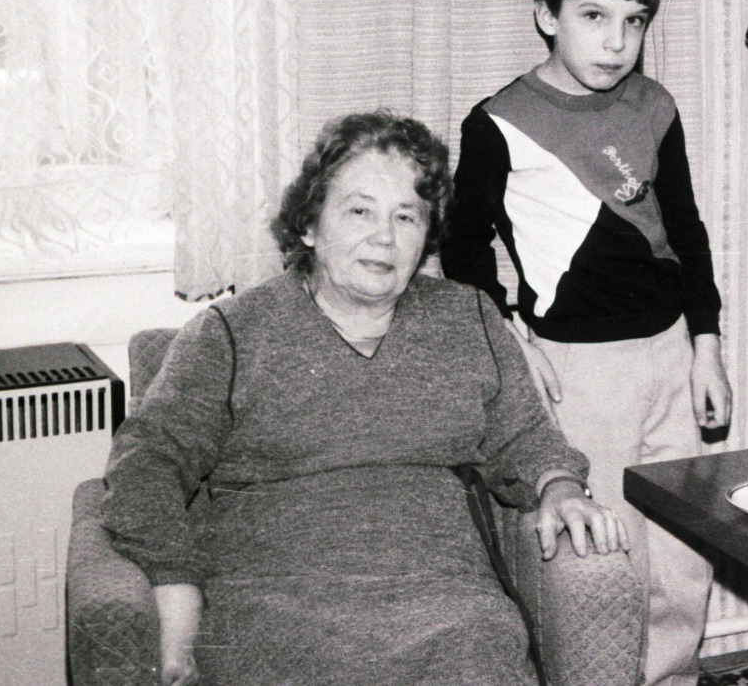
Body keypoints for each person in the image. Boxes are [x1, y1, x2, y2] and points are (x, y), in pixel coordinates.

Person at [102, 111, 625, 686]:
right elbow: (147, 462)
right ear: (309, 226)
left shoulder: (467, 317)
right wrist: (177, 588)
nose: (384, 237)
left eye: (407, 216)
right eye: (359, 210)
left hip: (448, 606)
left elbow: (526, 437)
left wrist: (560, 486)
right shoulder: (229, 334)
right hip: (274, 611)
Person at [441, 0, 730, 686]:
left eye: (633, 22)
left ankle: (674, 677)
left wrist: (707, 344)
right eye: (593, 16)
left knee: (682, 550)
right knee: (609, 553)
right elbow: (463, 247)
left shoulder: (655, 107)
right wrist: (510, 335)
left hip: (667, 351)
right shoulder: (497, 121)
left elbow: (686, 230)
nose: (615, 41)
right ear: (547, 14)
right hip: (576, 366)